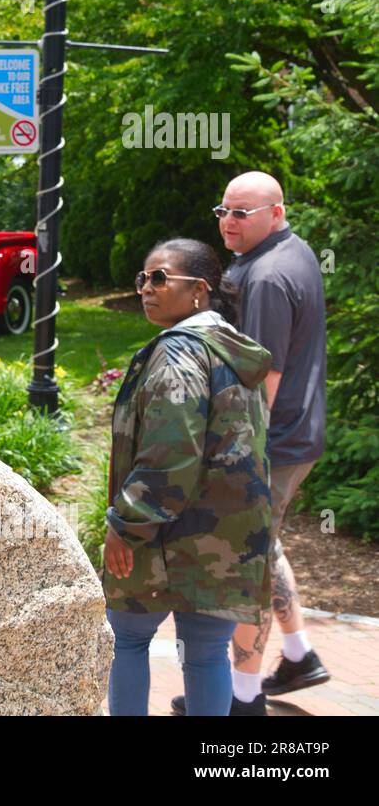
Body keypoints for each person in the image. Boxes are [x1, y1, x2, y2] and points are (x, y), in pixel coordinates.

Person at [174, 171, 329, 716]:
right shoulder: (294, 251)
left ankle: (243, 699)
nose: (229, 222)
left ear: (276, 214)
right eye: (224, 211)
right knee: (268, 547)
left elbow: (262, 377)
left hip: (272, 442)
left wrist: (236, 454)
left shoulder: (266, 278)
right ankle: (299, 653)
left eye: (242, 213)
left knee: (248, 565)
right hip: (298, 436)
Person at [103, 238, 272, 716]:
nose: (146, 289)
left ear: (199, 289)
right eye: (143, 278)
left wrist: (127, 524)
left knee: (128, 640)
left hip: (166, 538)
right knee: (205, 654)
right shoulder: (231, 350)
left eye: (160, 278)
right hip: (229, 541)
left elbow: (169, 453)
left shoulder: (179, 354)